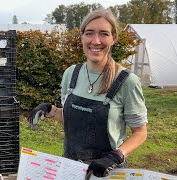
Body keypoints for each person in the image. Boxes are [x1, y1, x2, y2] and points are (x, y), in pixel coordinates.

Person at [27, 8, 148, 178]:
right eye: (89, 33)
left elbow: (140, 132)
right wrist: (51, 111)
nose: (95, 40)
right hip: (70, 168)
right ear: (82, 37)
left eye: (104, 34)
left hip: (106, 171)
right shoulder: (71, 74)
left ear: (113, 38)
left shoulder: (127, 81)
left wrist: (116, 156)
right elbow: (77, 117)